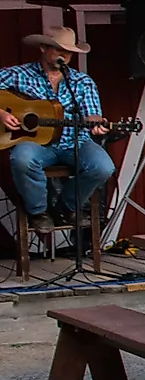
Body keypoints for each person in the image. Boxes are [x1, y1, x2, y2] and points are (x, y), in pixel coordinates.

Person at [0, 25, 115, 231]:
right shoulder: (18, 74)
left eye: (68, 51)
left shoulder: (82, 82)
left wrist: (97, 124)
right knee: (22, 160)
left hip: (75, 142)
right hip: (35, 142)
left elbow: (93, 114)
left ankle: (66, 208)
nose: (65, 55)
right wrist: (1, 113)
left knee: (102, 167)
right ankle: (38, 212)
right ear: (43, 48)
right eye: (59, 49)